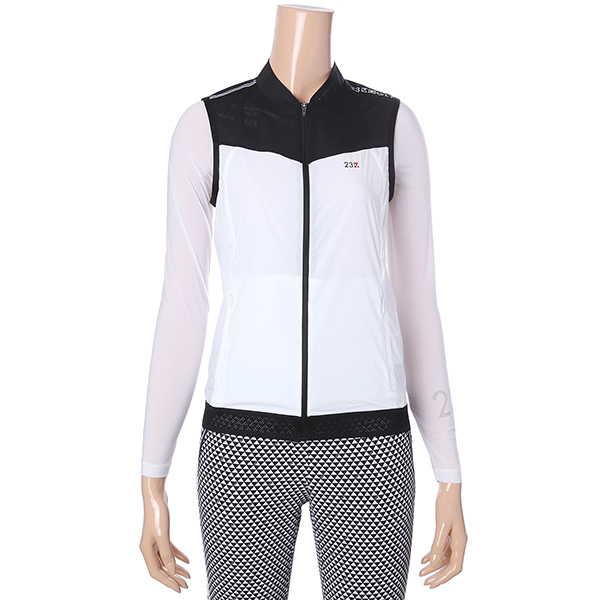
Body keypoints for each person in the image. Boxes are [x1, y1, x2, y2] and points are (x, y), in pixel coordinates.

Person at [139, 4, 467, 598]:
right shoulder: (209, 125)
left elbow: (417, 300)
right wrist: (151, 475)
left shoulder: (389, 125)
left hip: (370, 446)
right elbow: (184, 303)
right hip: (242, 445)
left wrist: (449, 470)